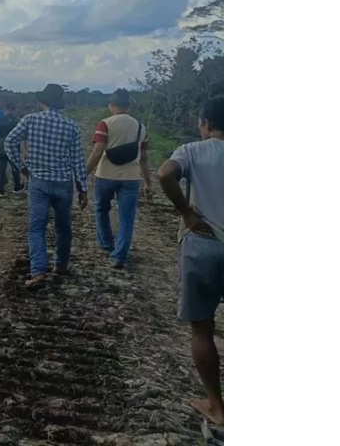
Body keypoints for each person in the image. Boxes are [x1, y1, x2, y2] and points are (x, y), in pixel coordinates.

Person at [157, 96, 224, 427]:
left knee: (202, 328)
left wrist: (185, 211)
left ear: (205, 123)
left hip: (204, 243)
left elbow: (165, 174)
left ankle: (217, 407)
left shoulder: (193, 150)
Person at [3, 83, 87, 287]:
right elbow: (78, 159)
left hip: (39, 181)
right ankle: (61, 264)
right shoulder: (71, 126)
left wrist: (22, 168)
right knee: (63, 226)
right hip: (63, 183)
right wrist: (82, 188)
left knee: (36, 228)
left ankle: (38, 271)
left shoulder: (30, 120)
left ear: (42, 102)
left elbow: (9, 142)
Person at [86, 89, 152, 269]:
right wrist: (148, 183)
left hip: (106, 175)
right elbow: (145, 158)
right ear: (128, 106)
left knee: (101, 209)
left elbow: (98, 151)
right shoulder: (141, 127)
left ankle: (106, 243)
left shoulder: (105, 124)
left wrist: (84, 173)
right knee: (127, 217)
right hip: (131, 178)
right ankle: (120, 255)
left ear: (111, 105)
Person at [0, 101, 24, 195]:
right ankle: (17, 187)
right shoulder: (17, 120)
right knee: (15, 167)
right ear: (14, 109)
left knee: (1, 168)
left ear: (5, 108)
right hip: (14, 144)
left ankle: (0, 190)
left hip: (1, 143)